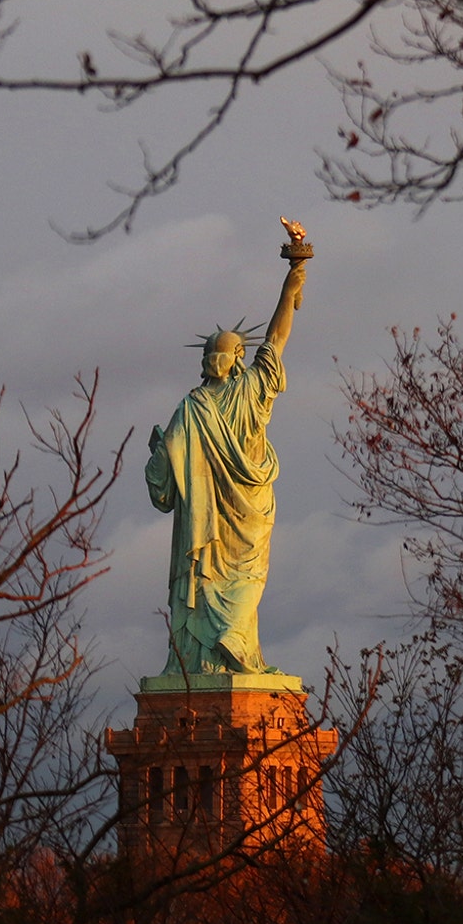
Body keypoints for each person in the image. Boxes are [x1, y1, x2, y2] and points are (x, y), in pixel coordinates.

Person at [146, 252, 307, 675]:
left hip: (206, 529)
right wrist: (289, 289)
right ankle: (230, 647)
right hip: (249, 513)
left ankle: (212, 652)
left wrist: (159, 452)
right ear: (238, 359)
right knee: (247, 581)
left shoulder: (192, 406)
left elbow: (164, 473)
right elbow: (275, 341)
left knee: (212, 582)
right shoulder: (251, 390)